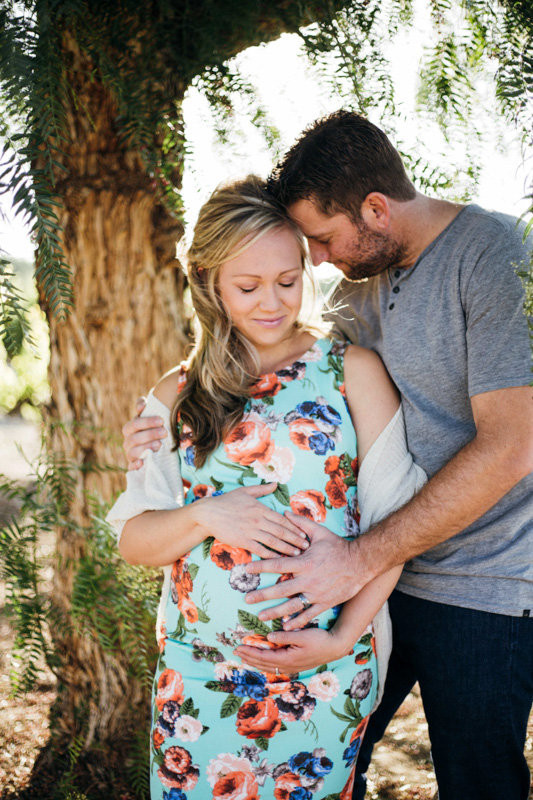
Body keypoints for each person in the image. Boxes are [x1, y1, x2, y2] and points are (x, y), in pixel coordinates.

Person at [124, 113, 533, 800]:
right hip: (331, 601)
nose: (312, 263)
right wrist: (153, 430)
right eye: (300, 250)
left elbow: (511, 444)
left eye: (316, 242)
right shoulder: (356, 283)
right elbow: (250, 368)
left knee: (476, 780)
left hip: (481, 582)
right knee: (348, 762)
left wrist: (354, 584)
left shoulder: (493, 256)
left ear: (375, 210)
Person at [108, 175, 426, 799]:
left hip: (324, 672)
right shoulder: (177, 394)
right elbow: (134, 540)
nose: (273, 303)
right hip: (196, 684)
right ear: (208, 281)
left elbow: (399, 525)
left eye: (288, 280)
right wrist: (208, 516)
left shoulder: (350, 372)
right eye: (248, 287)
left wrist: (338, 638)